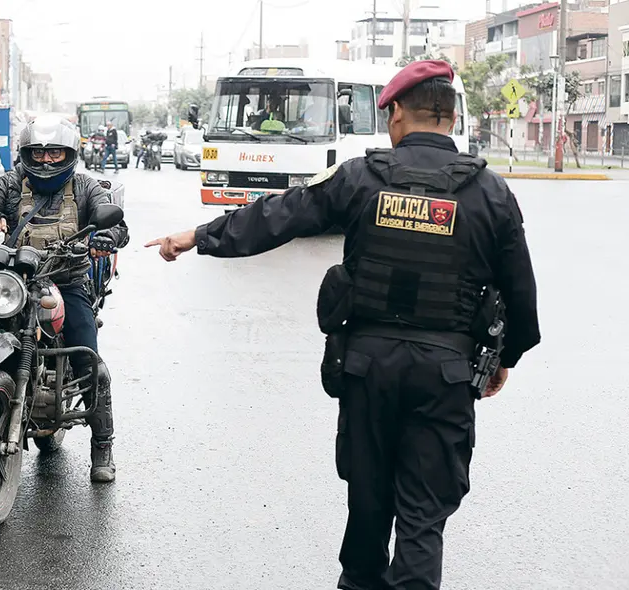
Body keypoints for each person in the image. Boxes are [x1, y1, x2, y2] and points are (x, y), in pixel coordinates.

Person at [145, 60, 541, 590]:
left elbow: (280, 215)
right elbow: (521, 292)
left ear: (397, 111)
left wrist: (199, 235)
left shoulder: (361, 176)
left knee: (369, 501)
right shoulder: (491, 191)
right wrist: (505, 359)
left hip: (368, 368)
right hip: (445, 374)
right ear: (450, 116)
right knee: (423, 517)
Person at [0, 115, 130, 483]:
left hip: (67, 282)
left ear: (69, 153)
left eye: (54, 153)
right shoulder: (12, 183)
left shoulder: (86, 186)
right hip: (16, 283)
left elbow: (116, 225)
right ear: (25, 154)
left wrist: (106, 237)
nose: (45, 161)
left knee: (89, 362)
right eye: (38, 153)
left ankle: (102, 444)